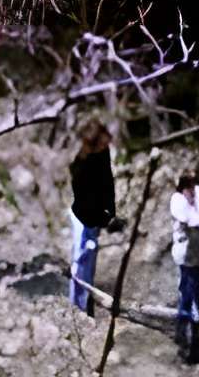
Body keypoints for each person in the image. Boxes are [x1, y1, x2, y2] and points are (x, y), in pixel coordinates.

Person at [67, 119, 117, 314]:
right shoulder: (81, 162)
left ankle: (85, 303)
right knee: (81, 260)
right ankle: (77, 307)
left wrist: (110, 212)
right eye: (102, 143)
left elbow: (107, 183)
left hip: (95, 214)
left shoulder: (103, 155)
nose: (105, 146)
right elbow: (82, 199)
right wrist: (101, 218)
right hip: (83, 214)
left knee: (90, 261)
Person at [169, 168, 199, 365]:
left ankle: (189, 340)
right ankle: (187, 343)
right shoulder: (178, 201)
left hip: (195, 259)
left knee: (197, 300)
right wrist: (198, 205)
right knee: (191, 299)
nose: (192, 191)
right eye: (189, 186)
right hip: (185, 258)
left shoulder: (196, 198)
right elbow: (195, 220)